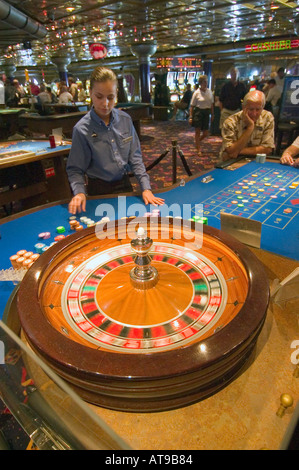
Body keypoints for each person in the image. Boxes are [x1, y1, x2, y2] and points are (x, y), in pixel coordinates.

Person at [67, 66, 164, 214]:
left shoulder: (125, 120)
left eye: (110, 97)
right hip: (98, 190)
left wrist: (146, 188)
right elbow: (75, 169)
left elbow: (135, 158)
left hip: (124, 184)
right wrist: (80, 192)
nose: (105, 103)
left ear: (116, 94)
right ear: (90, 93)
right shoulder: (81, 129)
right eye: (99, 96)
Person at [219, 90, 275, 161]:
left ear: (262, 107)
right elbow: (230, 151)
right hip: (231, 162)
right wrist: (250, 128)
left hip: (255, 161)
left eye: (258, 109)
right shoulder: (230, 122)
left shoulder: (267, 117)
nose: (254, 113)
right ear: (243, 107)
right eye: (251, 109)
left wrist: (238, 151)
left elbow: (267, 149)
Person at [188, 75, 214, 156]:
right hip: (198, 112)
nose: (206, 83)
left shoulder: (210, 92)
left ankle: (197, 142)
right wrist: (191, 117)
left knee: (206, 133)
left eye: (206, 81)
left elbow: (212, 104)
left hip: (207, 113)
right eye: (204, 82)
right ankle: (199, 149)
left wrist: (213, 114)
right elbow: (192, 106)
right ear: (200, 83)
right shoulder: (196, 93)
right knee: (197, 131)